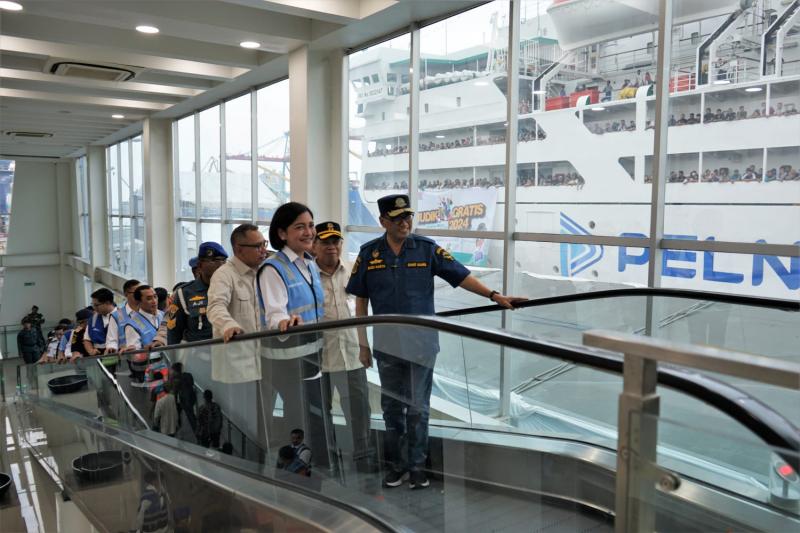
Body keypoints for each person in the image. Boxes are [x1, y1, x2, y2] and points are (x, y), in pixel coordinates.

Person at [346, 194, 524, 489]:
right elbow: (361, 301)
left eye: (408, 217)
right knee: (391, 407)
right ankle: (397, 465)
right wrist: (363, 344)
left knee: (418, 407)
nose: (405, 222)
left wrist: (494, 296)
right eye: (397, 218)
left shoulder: (426, 249)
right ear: (383, 222)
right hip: (386, 346)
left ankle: (417, 466)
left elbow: (461, 276)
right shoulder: (369, 254)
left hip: (421, 345)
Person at [256, 202, 331, 468]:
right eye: (300, 227)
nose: (309, 232)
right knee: (297, 419)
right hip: (288, 361)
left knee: (312, 416)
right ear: (282, 233)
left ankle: (310, 467)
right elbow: (274, 312)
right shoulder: (273, 268)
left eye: (310, 225)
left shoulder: (309, 264)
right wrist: (286, 321)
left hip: (312, 356)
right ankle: (293, 472)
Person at [312, 221, 375, 470]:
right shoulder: (306, 276)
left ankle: (363, 460)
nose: (331, 247)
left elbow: (362, 312)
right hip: (318, 356)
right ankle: (326, 460)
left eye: (335, 241)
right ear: (314, 245)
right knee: (319, 413)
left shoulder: (353, 272)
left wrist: (365, 346)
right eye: (325, 242)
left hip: (351, 354)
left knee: (359, 411)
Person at [207, 223, 266, 383]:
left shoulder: (264, 272)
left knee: (265, 409)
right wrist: (228, 325)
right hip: (236, 368)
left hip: (264, 364)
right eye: (257, 246)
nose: (263, 250)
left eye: (264, 244)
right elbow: (215, 306)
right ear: (239, 249)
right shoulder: (224, 275)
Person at [166, 242, 228, 346]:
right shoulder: (184, 293)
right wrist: (174, 358)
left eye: (223, 261)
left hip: (228, 353)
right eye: (214, 261)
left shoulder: (231, 288)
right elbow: (173, 331)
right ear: (200, 265)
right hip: (199, 356)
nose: (220, 265)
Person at [123, 285, 165, 381]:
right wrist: (143, 352)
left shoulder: (164, 315)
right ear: (138, 302)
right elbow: (136, 355)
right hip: (150, 371)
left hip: (169, 365)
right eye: (149, 298)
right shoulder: (132, 324)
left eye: (155, 296)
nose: (154, 301)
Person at [84, 288, 125, 374]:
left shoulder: (122, 316)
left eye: (97, 305)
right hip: (99, 359)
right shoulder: (93, 318)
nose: (94, 308)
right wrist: (91, 350)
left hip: (121, 358)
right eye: (93, 305)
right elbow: (87, 339)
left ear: (108, 302)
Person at [105, 279, 141, 352]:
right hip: (127, 358)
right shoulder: (117, 315)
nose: (139, 295)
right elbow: (112, 340)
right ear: (126, 294)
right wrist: (111, 348)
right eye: (136, 293)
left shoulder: (147, 311)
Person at [170, 361, 197, 433]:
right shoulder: (188, 375)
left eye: (172, 370)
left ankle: (178, 429)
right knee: (191, 416)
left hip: (183, 401)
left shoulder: (175, 379)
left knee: (184, 415)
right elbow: (192, 384)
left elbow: (174, 391)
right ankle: (196, 431)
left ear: (175, 371)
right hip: (188, 400)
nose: (171, 372)